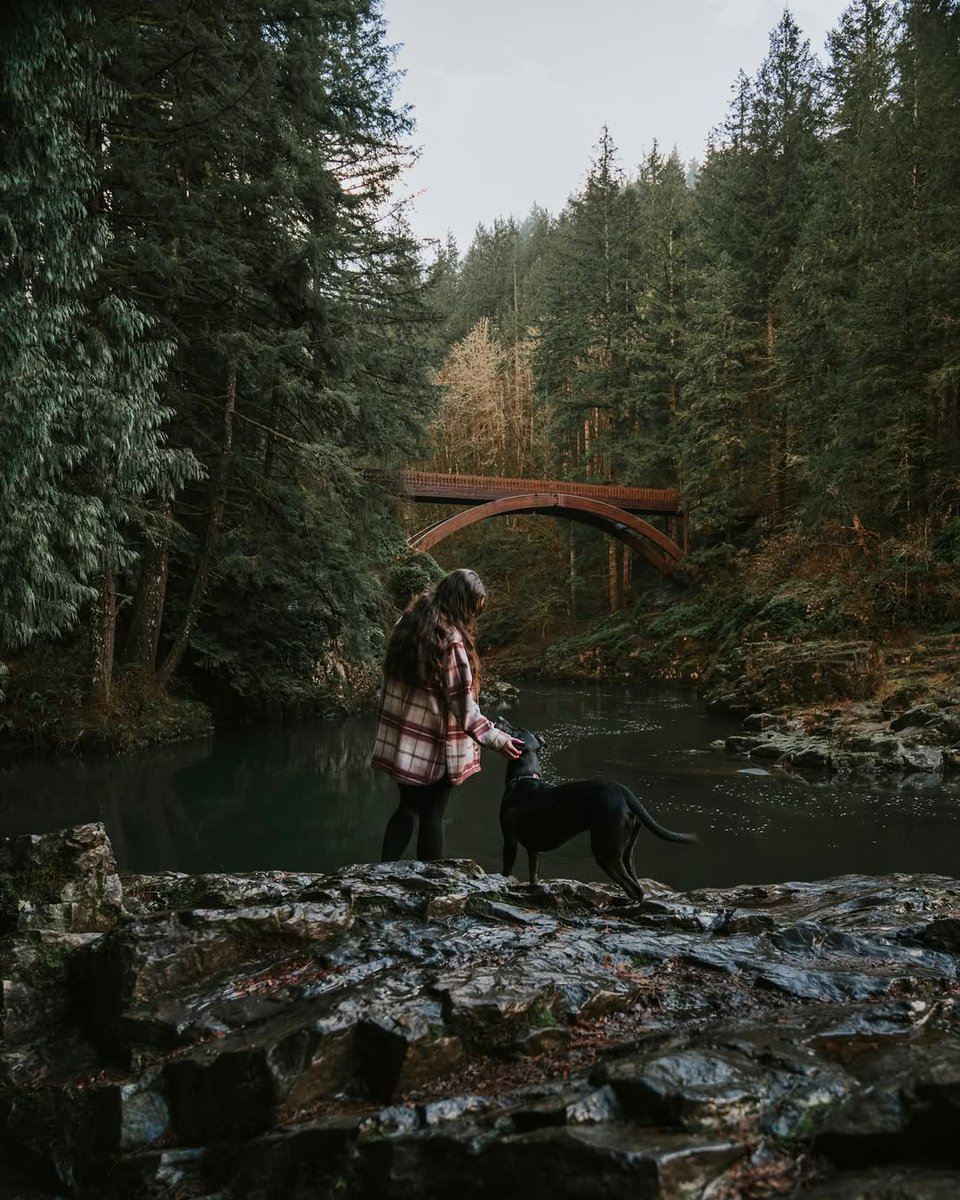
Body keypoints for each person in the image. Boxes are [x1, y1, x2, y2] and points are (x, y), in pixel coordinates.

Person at [371, 568, 524, 862]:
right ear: (461, 603)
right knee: (432, 816)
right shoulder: (449, 641)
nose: (472, 618)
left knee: (407, 807)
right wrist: (498, 739)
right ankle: (431, 886)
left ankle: (379, 874)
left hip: (404, 742)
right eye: (473, 609)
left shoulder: (409, 621)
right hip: (434, 746)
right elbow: (464, 708)